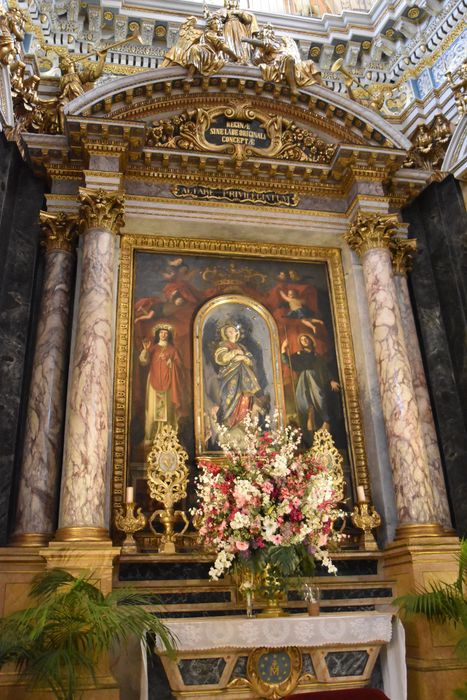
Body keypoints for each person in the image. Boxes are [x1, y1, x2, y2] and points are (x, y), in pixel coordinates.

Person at [281, 334, 340, 446]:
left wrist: (331, 380)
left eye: (306, 338)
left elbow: (325, 370)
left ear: (310, 340)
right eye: (302, 340)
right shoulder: (299, 355)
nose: (305, 340)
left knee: (321, 405)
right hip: (304, 382)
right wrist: (284, 349)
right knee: (309, 409)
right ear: (301, 343)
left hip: (316, 381)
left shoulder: (318, 356)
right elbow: (287, 361)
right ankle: (311, 441)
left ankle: (324, 436)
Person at [139, 324, 186, 445]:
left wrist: (172, 363)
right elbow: (143, 361)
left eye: (165, 333)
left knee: (168, 409)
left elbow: (180, 366)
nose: (163, 335)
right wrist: (145, 349)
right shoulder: (152, 348)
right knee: (153, 408)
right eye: (161, 333)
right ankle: (152, 436)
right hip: (153, 381)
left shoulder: (172, 349)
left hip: (169, 382)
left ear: (168, 335)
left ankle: (168, 436)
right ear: (158, 334)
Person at [214, 322, 262, 429]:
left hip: (245, 377)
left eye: (232, 331)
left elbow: (251, 361)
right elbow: (220, 358)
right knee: (230, 396)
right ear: (225, 334)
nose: (231, 333)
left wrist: (244, 358)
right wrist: (234, 352)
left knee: (245, 397)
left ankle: (243, 422)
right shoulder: (224, 345)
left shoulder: (242, 347)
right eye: (228, 332)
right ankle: (229, 422)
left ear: (236, 332)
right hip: (230, 375)